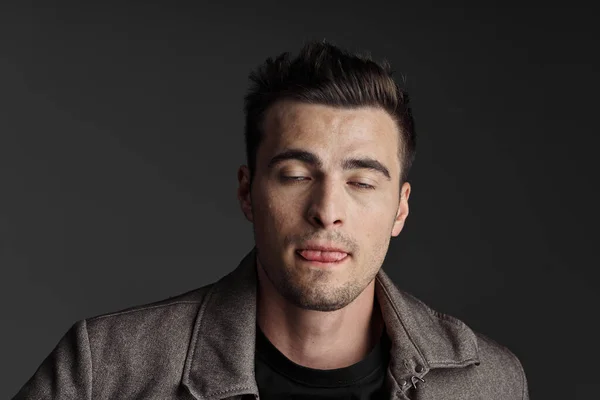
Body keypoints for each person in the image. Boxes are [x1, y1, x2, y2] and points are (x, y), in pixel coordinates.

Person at [13, 40, 528, 400]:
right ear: (247, 192)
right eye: (296, 175)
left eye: (362, 182)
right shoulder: (104, 370)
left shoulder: (489, 383)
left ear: (400, 207)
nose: (327, 211)